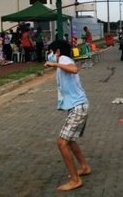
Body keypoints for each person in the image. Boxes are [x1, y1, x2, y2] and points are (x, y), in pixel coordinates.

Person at [44, 40, 91, 191]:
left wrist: (55, 64)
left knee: (62, 143)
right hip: (79, 106)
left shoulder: (63, 59)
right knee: (70, 141)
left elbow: (74, 69)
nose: (49, 55)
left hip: (78, 107)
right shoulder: (63, 60)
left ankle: (75, 180)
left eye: (51, 52)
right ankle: (84, 167)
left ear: (57, 51)